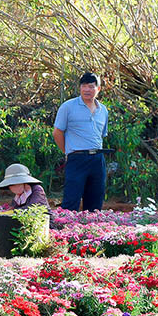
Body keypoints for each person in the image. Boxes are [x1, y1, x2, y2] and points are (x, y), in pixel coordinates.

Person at [53, 72, 108, 211]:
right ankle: (65, 231)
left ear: (98, 89)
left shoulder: (103, 110)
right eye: (83, 86)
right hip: (76, 158)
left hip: (97, 159)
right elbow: (57, 132)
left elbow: (101, 135)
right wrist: (68, 152)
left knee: (95, 202)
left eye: (91, 86)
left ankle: (91, 231)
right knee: (71, 200)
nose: (87, 90)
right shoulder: (68, 107)